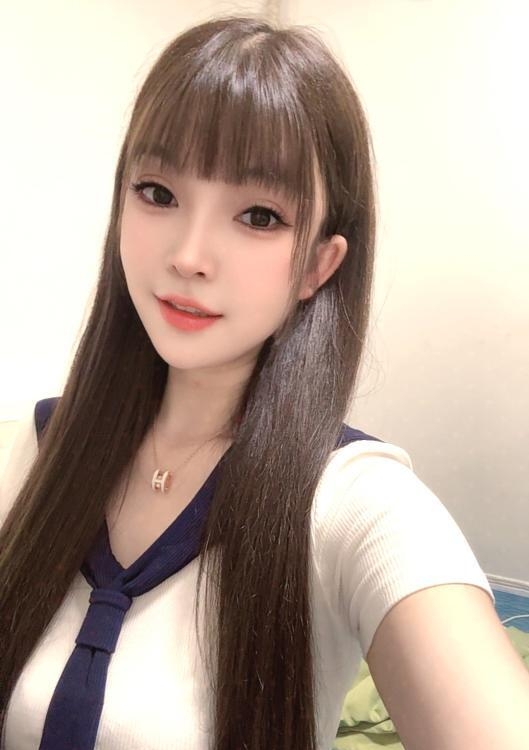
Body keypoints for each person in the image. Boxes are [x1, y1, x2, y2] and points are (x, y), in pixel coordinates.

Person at [1, 13, 528, 750]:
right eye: (157, 192)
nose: (188, 254)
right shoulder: (31, 454)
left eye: (257, 215)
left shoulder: (354, 503)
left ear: (318, 264)